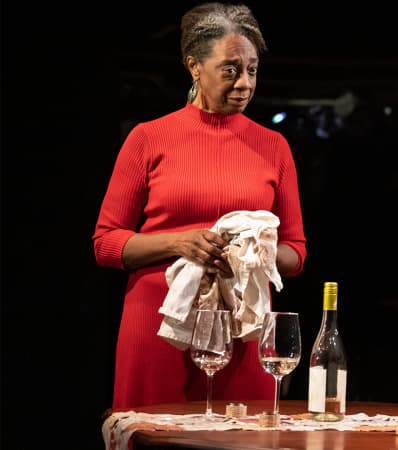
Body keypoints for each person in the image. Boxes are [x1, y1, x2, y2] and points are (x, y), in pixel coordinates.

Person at [93, 2, 307, 410]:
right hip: (160, 326)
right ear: (194, 66)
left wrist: (252, 254)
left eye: (252, 70)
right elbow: (106, 244)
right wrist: (180, 243)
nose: (244, 83)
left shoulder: (274, 147)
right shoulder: (148, 139)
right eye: (230, 70)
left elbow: (295, 253)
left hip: (242, 332)